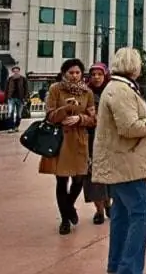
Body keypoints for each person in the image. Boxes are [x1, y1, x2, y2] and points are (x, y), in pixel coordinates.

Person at [93, 47, 146, 274]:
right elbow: (129, 127)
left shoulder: (118, 87)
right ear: (134, 66)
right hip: (125, 163)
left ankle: (116, 266)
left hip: (121, 161)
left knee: (122, 215)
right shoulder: (121, 91)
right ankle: (129, 269)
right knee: (143, 211)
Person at [40, 59, 96, 235]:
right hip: (61, 140)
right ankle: (65, 219)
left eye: (78, 72)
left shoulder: (87, 92)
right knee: (62, 180)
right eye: (71, 72)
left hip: (80, 139)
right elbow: (49, 115)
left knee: (79, 178)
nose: (74, 76)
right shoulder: (55, 89)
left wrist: (80, 119)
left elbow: (93, 119)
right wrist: (65, 109)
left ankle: (69, 206)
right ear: (64, 73)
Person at [83, 63, 112, 225]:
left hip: (108, 139)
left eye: (99, 74)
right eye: (93, 74)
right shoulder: (85, 93)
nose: (96, 77)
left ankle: (108, 204)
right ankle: (99, 210)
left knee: (109, 174)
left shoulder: (112, 92)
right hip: (90, 138)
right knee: (92, 176)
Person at [6, 66, 29, 132]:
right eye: (14, 71)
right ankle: (11, 127)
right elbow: (6, 89)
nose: (16, 72)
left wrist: (25, 98)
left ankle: (16, 126)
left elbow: (26, 89)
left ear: (19, 71)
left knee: (19, 113)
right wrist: (6, 98)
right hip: (11, 98)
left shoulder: (23, 79)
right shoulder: (10, 79)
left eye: (17, 71)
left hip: (20, 98)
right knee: (10, 112)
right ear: (13, 72)